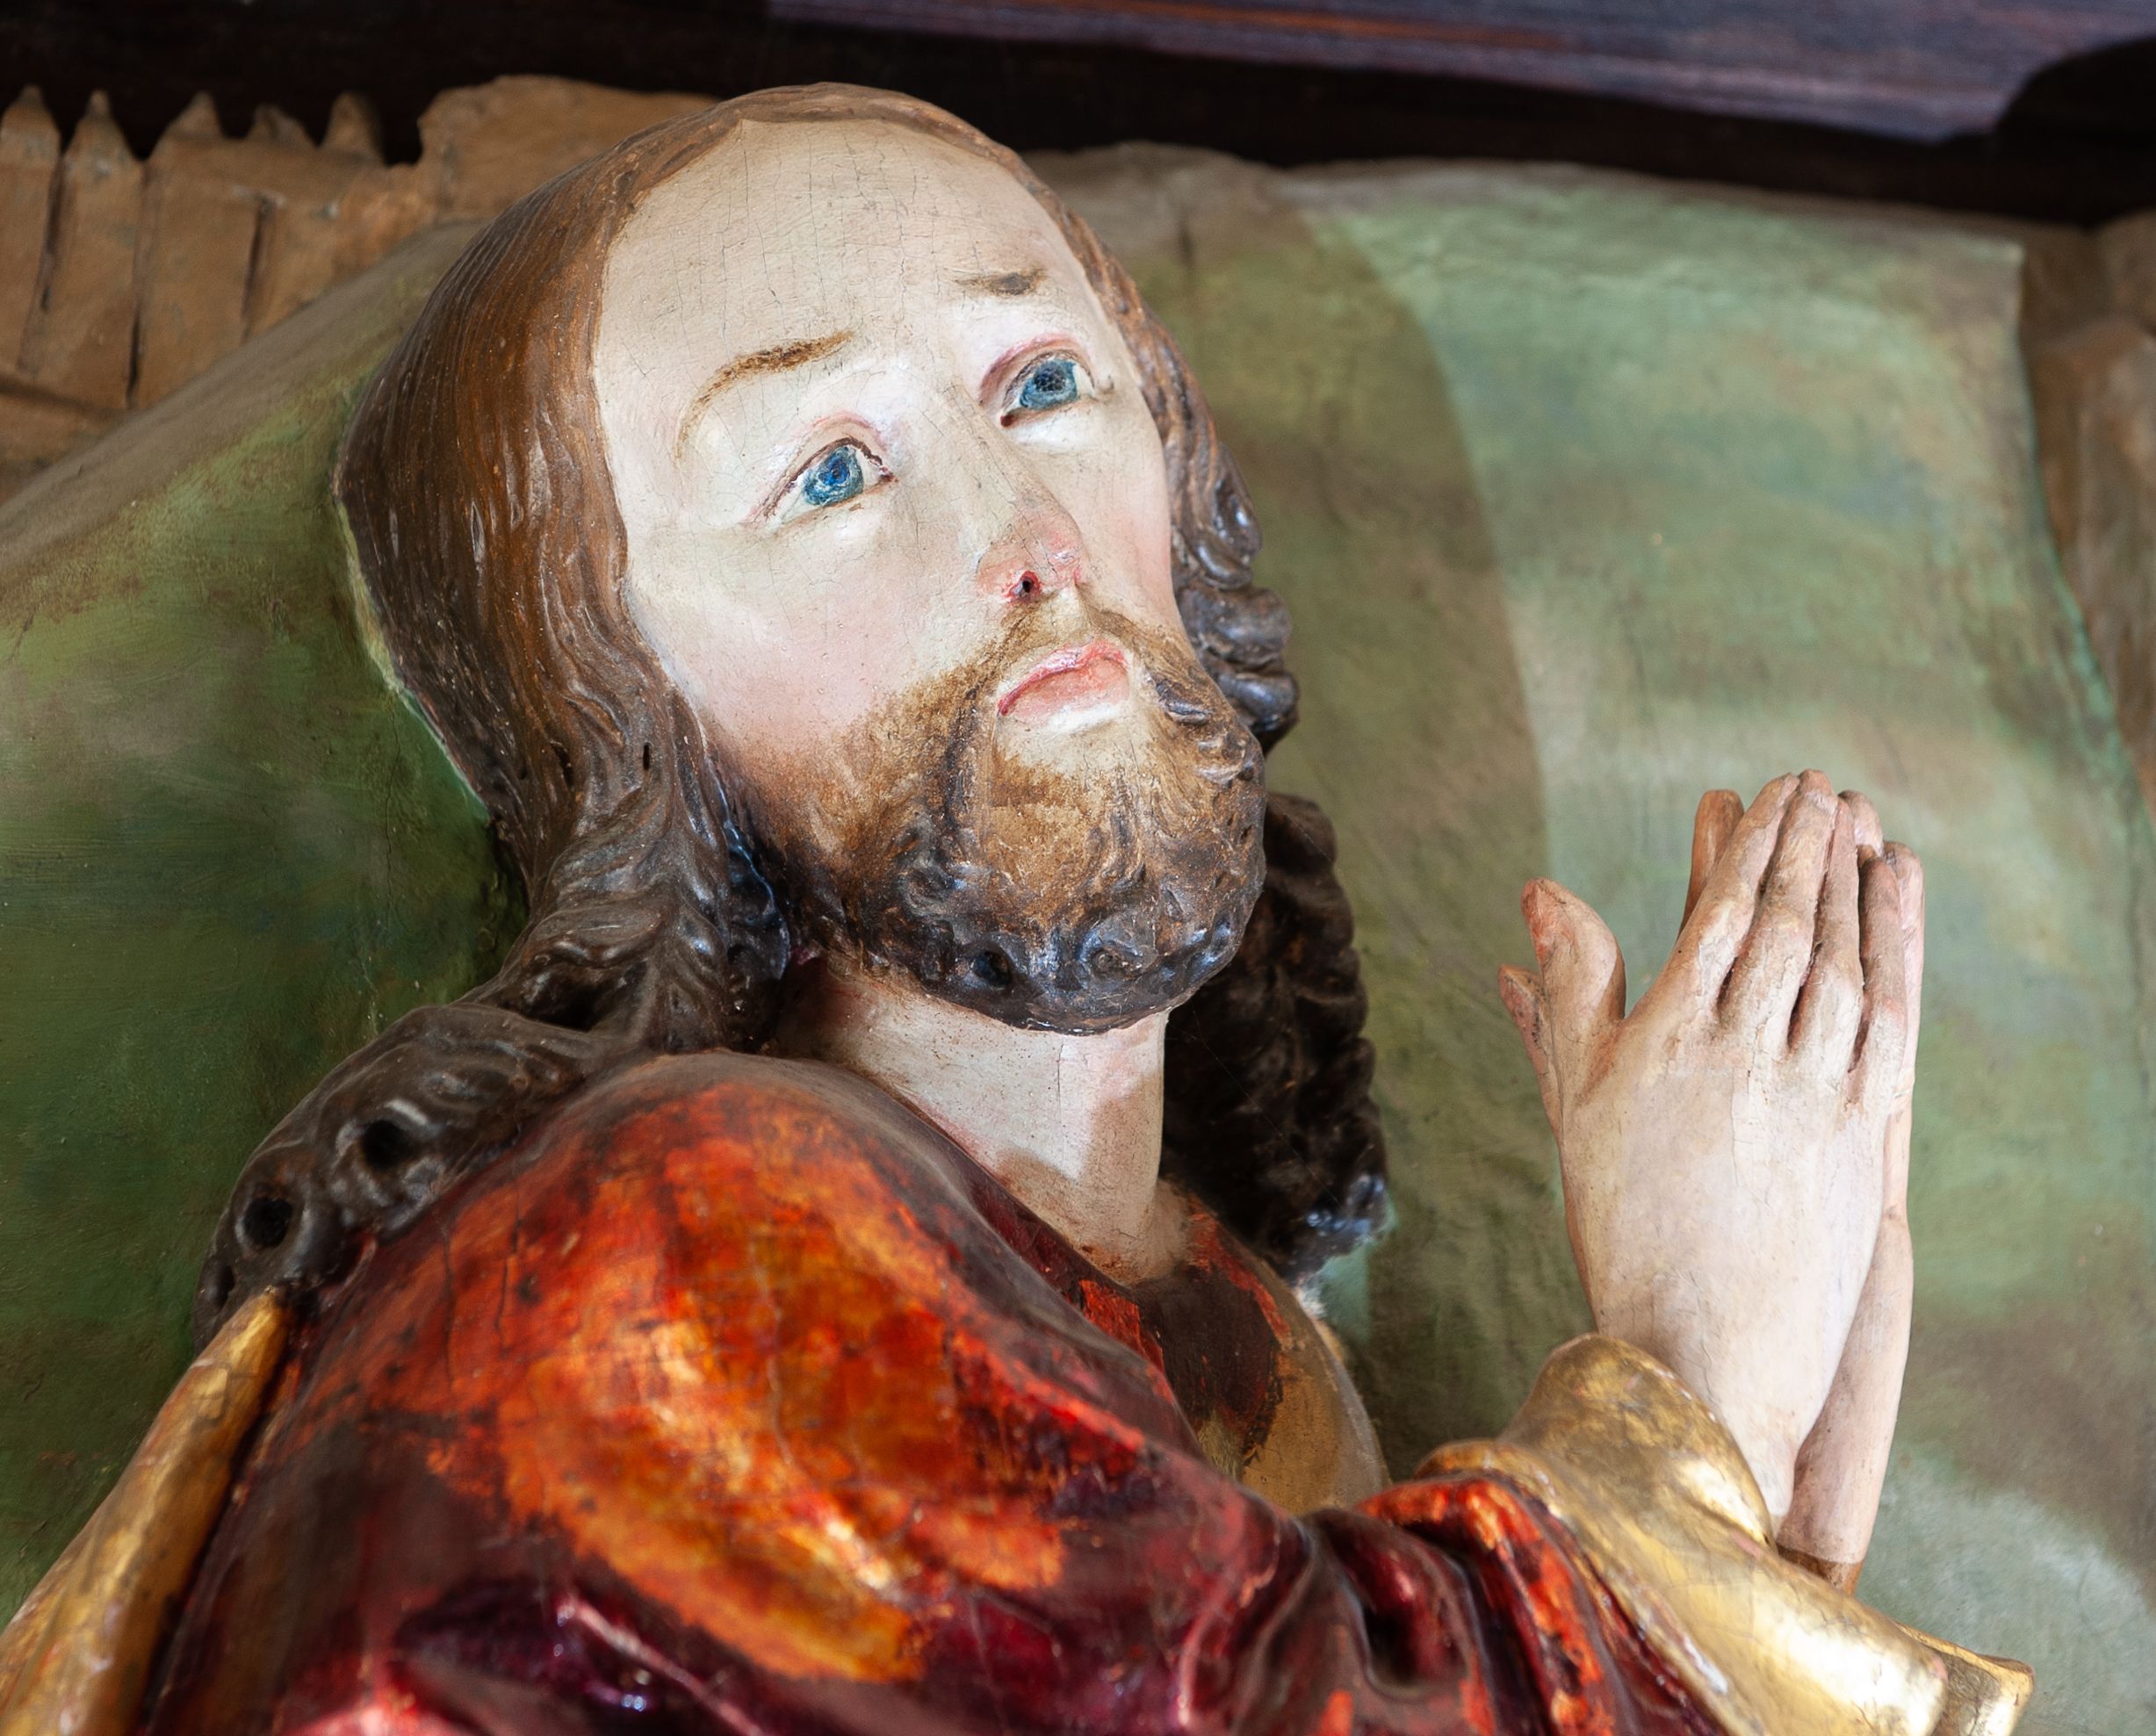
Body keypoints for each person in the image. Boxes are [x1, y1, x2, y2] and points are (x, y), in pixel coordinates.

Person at [0, 87, 2026, 1734]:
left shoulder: (1229, 1328)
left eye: (1042, 381)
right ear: (624, 711)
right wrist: (1684, 1405)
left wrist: (1769, 1563)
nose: (1025, 533)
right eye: (829, 475)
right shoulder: (672, 1251)